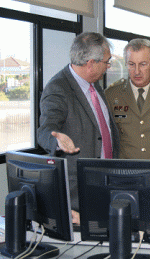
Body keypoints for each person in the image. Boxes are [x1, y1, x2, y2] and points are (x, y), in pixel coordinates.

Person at [37, 32, 120, 221]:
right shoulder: (58, 88)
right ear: (91, 63)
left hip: (106, 181)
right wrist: (57, 140)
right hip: (78, 191)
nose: (108, 67)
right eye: (106, 62)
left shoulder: (94, 84)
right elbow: (45, 130)